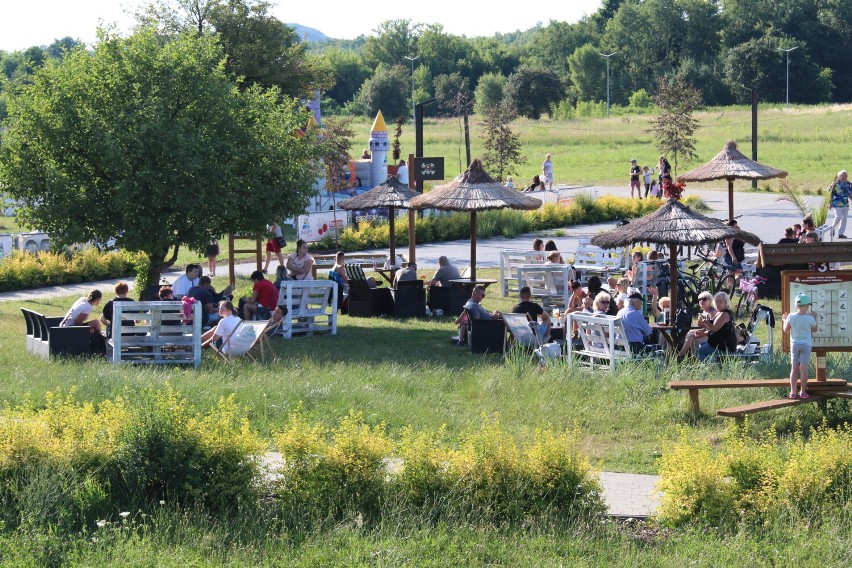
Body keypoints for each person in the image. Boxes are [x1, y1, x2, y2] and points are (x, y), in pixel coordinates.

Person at [782, 293, 819, 399]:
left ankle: (792, 392)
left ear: (796, 306)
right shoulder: (810, 318)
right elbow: (815, 330)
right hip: (806, 345)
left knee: (794, 368)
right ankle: (803, 392)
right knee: (804, 368)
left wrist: (784, 320)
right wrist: (815, 318)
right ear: (807, 306)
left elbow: (786, 330)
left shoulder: (791, 316)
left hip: (794, 344)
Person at [697, 292, 738, 361]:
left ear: (726, 303)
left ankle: (710, 368)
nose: (717, 304)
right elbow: (718, 329)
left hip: (723, 346)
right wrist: (703, 325)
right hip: (718, 343)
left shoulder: (724, 314)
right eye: (716, 301)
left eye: (720, 301)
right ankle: (711, 362)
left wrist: (704, 320)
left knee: (698, 352)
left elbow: (714, 329)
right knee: (701, 344)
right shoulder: (720, 313)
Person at [677, 291, 718, 358]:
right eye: (699, 299)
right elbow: (701, 326)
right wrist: (700, 324)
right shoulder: (704, 311)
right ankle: (687, 355)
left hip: (711, 336)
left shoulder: (712, 312)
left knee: (690, 334)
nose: (701, 301)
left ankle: (682, 353)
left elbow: (713, 328)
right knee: (690, 334)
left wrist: (703, 330)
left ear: (710, 301)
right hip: (704, 333)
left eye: (704, 299)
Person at [829, 169, 851, 238]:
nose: (845, 178)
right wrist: (830, 203)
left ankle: (840, 233)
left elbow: (850, 194)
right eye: (843, 176)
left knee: (844, 219)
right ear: (839, 176)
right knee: (839, 216)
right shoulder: (834, 184)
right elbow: (830, 194)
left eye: (846, 176)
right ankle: (832, 228)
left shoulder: (849, 184)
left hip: (845, 204)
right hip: (836, 204)